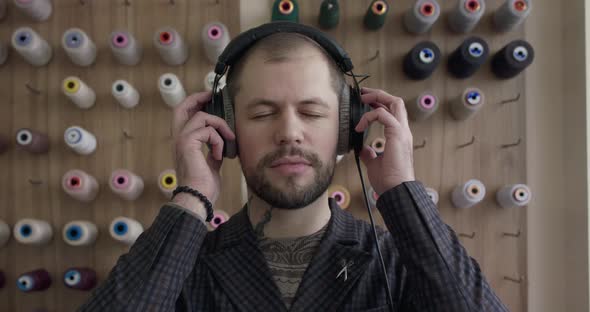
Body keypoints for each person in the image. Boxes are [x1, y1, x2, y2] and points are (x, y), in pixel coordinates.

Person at [79, 23, 508, 312]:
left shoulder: (396, 261)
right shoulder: (183, 267)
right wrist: (193, 195)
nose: (289, 133)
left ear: (347, 128)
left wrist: (400, 190)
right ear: (226, 128)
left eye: (312, 112)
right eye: (263, 113)